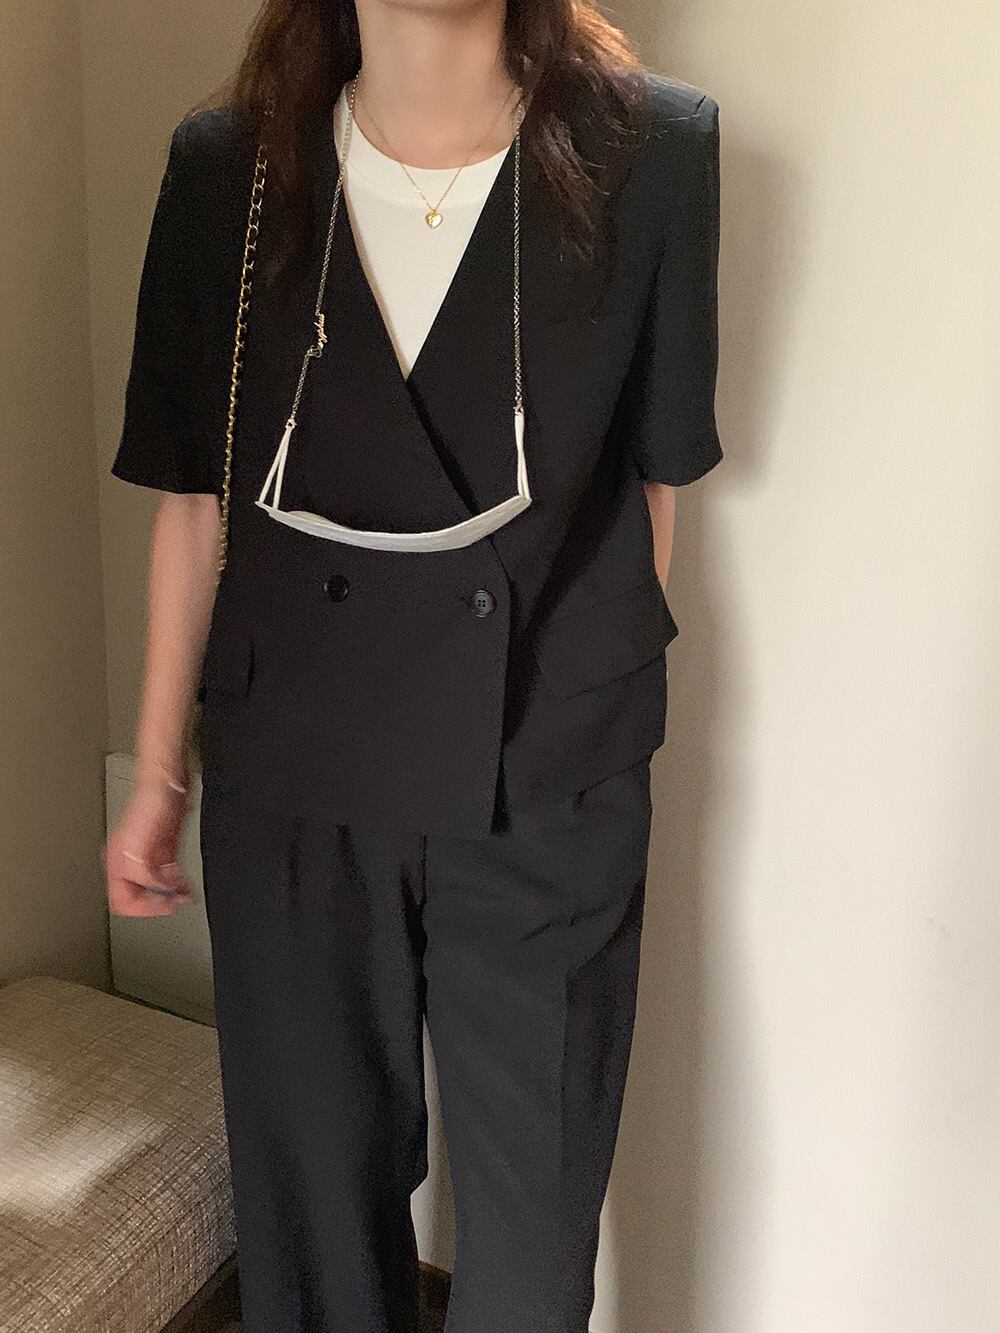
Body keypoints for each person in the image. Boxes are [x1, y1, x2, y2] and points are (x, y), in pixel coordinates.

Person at [104, 1, 723, 1329]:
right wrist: (158, 773)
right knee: (312, 1216)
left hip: (546, 780)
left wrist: (573, 711)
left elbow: (655, 483)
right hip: (294, 768)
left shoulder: (659, 153)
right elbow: (193, 494)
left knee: (534, 1227)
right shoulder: (227, 172)